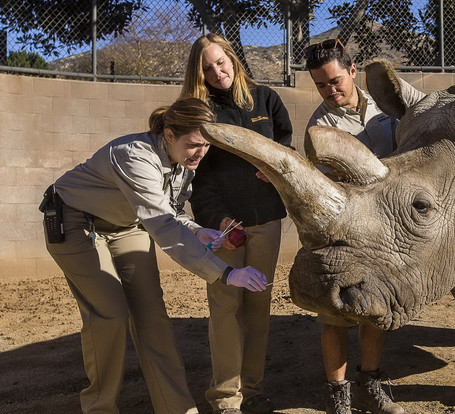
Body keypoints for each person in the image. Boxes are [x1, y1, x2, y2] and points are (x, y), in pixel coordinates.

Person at [41, 97, 268, 414]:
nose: (200, 153)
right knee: (110, 313)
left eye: (206, 145)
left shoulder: (183, 159)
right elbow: (162, 226)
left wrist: (197, 230)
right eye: (193, 145)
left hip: (128, 226)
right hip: (77, 222)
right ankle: (99, 408)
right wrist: (227, 274)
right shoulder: (135, 156)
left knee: (153, 318)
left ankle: (177, 409)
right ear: (169, 134)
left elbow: (171, 212)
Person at [180, 33, 293, 414]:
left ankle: (254, 388)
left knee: (258, 306)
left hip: (266, 220)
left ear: (233, 59)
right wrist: (217, 220)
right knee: (225, 307)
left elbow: (286, 149)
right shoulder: (200, 111)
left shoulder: (266, 100)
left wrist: (276, 169)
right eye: (207, 67)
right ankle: (226, 398)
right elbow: (198, 177)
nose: (217, 72)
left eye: (221, 62)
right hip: (225, 226)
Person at [305, 38, 411, 414]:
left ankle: (371, 384)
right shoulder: (320, 124)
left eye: (335, 80)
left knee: (376, 307)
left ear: (352, 71)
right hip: (347, 230)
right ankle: (339, 396)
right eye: (320, 85)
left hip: (390, 226)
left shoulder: (388, 106)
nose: (330, 90)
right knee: (336, 312)